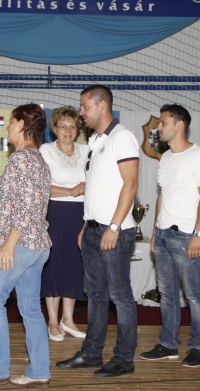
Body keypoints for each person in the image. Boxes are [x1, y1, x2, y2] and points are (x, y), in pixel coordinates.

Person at [0, 103, 53, 387]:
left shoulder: (20, 160)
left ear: (22, 125)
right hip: (37, 246)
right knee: (30, 309)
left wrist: (8, 245)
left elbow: (25, 209)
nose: (7, 127)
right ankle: (39, 371)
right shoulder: (37, 160)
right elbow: (24, 205)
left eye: (11, 122)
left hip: (20, 245)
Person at [56, 85, 139, 378]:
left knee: (120, 295)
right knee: (95, 294)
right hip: (92, 230)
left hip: (113, 230)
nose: (81, 113)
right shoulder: (94, 140)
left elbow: (131, 184)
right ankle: (92, 353)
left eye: (84, 107)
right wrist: (85, 226)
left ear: (102, 105)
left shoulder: (122, 137)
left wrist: (114, 226)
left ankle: (124, 358)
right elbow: (97, 189)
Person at [138, 104, 200, 367]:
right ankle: (168, 344)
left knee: (194, 294)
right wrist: (154, 232)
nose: (158, 127)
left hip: (186, 236)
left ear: (179, 124)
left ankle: (199, 347)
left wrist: (198, 234)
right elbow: (162, 196)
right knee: (167, 294)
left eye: (163, 123)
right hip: (163, 234)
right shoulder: (167, 157)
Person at [39, 106, 88, 342]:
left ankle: (68, 319)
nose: (68, 131)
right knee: (54, 266)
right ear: (54, 129)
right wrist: (70, 191)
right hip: (55, 213)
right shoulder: (46, 150)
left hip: (81, 213)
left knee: (74, 265)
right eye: (63, 126)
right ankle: (52, 321)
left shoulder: (87, 151)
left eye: (72, 126)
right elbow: (41, 187)